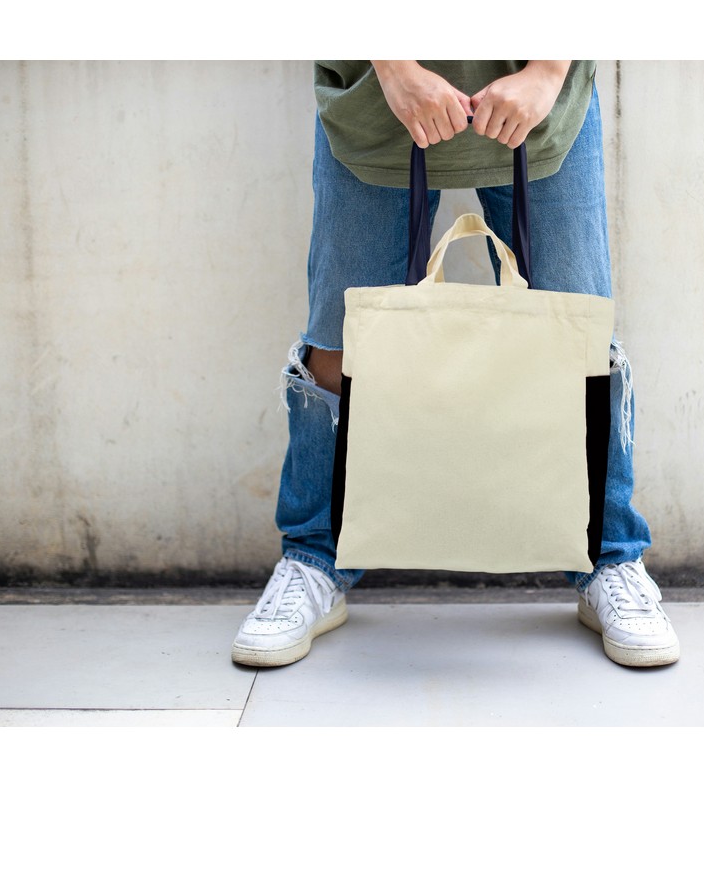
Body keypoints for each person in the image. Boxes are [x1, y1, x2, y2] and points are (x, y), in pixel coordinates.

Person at [231, 60, 680, 669]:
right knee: (337, 342)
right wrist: (394, 69)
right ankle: (313, 557)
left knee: (582, 342)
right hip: (374, 101)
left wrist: (548, 72)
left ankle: (610, 557)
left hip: (541, 104)